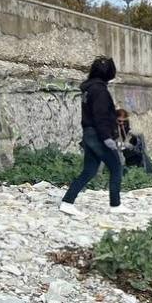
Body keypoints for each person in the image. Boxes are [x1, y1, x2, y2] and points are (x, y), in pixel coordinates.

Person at [59, 55, 123, 219]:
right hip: (98, 135)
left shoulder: (89, 89)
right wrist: (107, 138)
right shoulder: (100, 91)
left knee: (89, 170)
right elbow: (100, 116)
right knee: (116, 167)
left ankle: (67, 202)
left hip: (89, 133)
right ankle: (115, 205)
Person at [114, 109, 152, 176]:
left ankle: (146, 167)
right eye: (119, 121)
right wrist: (123, 144)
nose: (122, 123)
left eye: (124, 121)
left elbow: (129, 133)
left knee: (139, 138)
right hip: (116, 150)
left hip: (127, 150)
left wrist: (132, 138)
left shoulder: (126, 124)